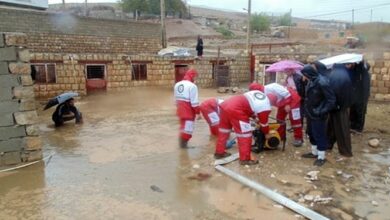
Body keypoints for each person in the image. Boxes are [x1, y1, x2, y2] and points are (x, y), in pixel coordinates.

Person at [214, 88, 271, 165]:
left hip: (226, 105)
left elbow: (248, 106)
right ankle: (245, 159)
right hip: (237, 110)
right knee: (245, 135)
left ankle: (219, 153)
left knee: (224, 131)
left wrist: (255, 119)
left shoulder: (257, 94)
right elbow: (264, 123)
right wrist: (267, 133)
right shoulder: (266, 105)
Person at [301, 61, 336, 166]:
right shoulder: (311, 80)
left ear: (308, 74)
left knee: (319, 134)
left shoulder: (322, 82)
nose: (303, 77)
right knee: (311, 133)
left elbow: (331, 100)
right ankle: (314, 152)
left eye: (304, 75)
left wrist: (321, 111)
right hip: (310, 113)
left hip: (318, 113)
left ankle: (321, 157)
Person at [326, 63, 354, 157]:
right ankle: (328, 145)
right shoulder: (343, 73)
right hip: (340, 105)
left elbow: (335, 91)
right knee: (333, 127)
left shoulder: (336, 74)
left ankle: (345, 151)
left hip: (338, 106)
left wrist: (336, 105)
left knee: (341, 128)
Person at [265, 83, 304, 147]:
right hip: (281, 101)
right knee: (279, 118)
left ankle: (299, 138)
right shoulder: (262, 95)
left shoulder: (272, 87)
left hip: (293, 99)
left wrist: (287, 104)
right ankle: (281, 135)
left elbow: (287, 94)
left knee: (295, 119)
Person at [174, 69, 200, 148]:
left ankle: (181, 146)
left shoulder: (177, 84)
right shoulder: (192, 86)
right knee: (187, 130)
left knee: (183, 128)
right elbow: (194, 103)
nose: (195, 79)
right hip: (188, 112)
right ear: (192, 76)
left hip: (180, 111)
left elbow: (176, 101)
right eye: (195, 77)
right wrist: (198, 113)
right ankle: (183, 148)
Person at [350, 61, 371, 133]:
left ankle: (359, 128)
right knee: (353, 111)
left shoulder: (364, 74)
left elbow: (365, 87)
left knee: (360, 112)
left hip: (361, 97)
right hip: (355, 96)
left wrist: (364, 98)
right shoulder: (357, 73)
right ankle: (353, 126)